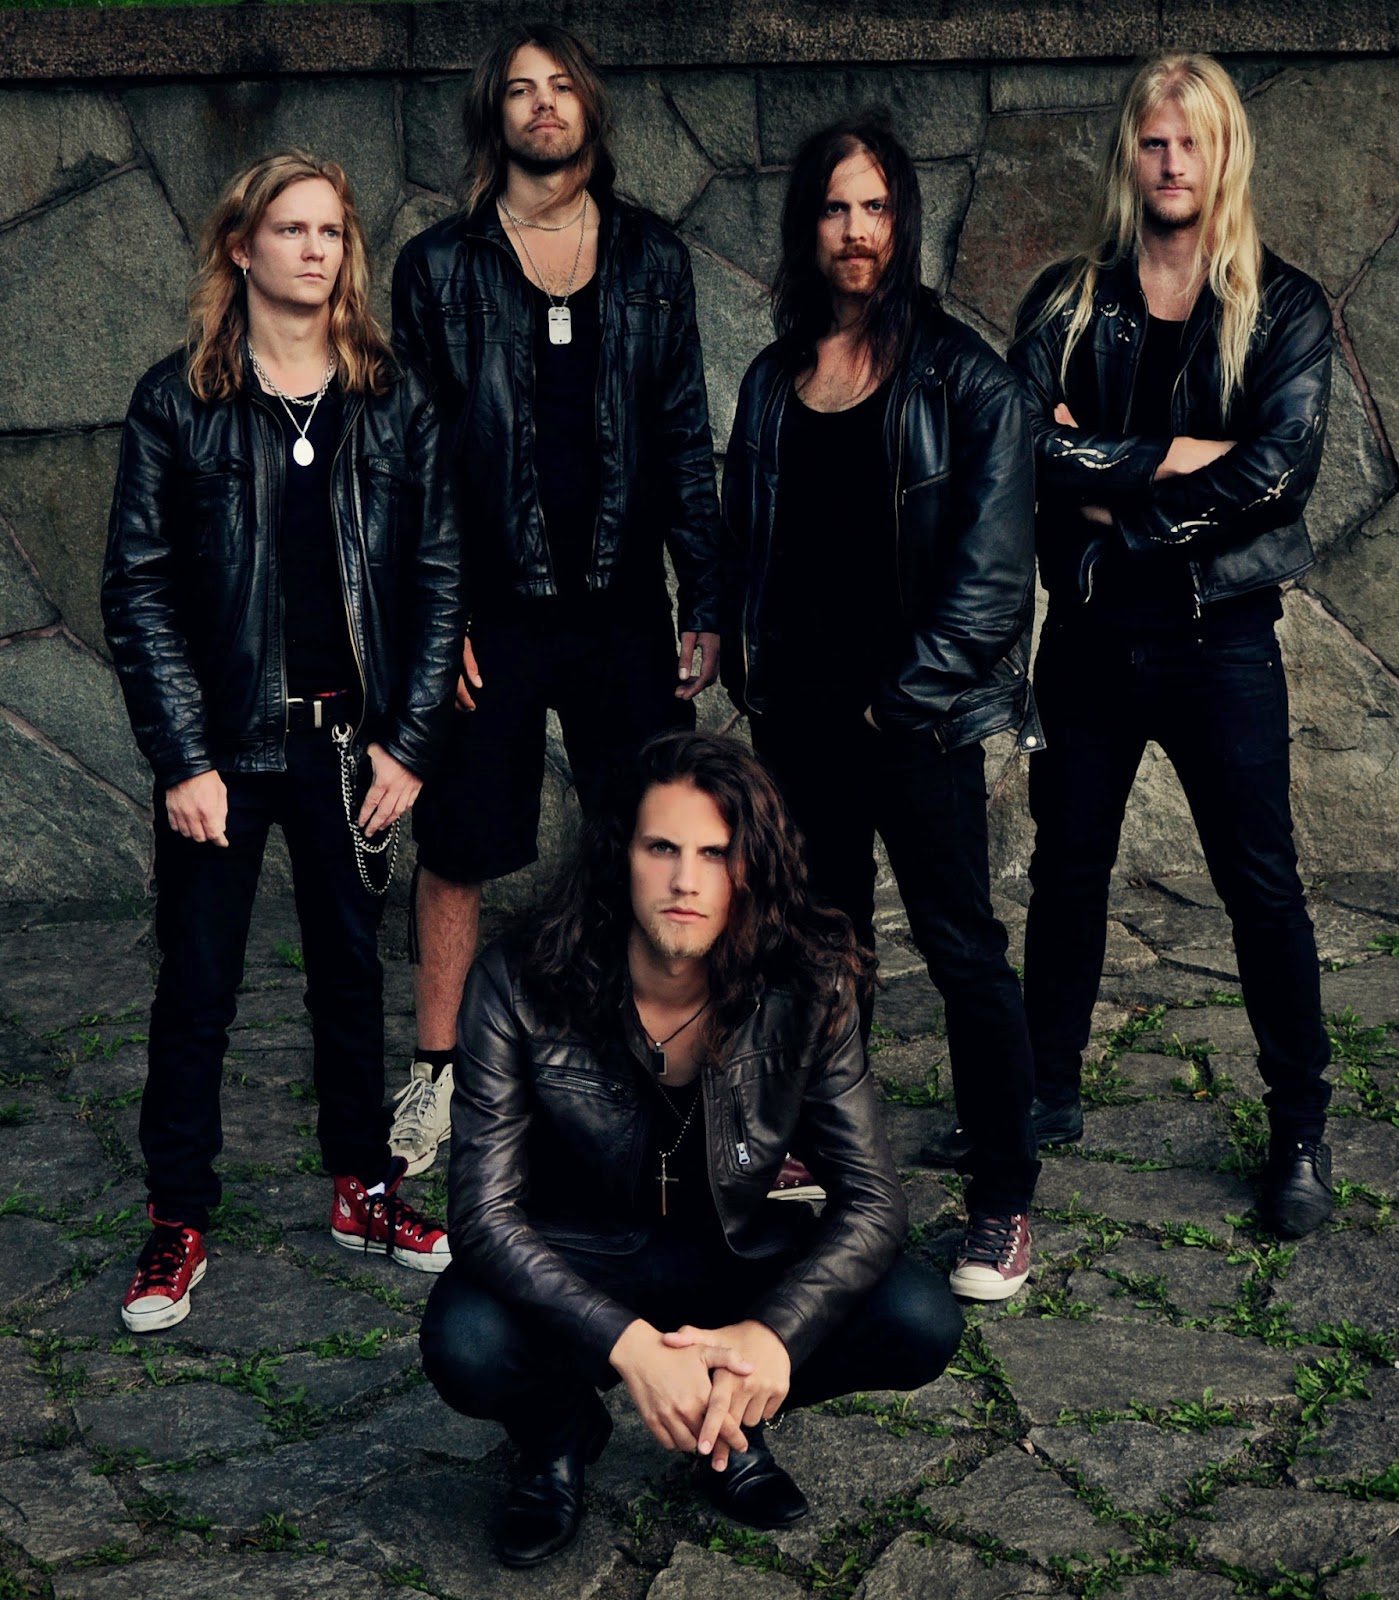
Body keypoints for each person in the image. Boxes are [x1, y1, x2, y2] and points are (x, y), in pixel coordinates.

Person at [418, 731, 962, 1567]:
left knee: (918, 1317)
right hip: (581, 1254)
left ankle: (726, 1421)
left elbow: (872, 1200)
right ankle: (558, 1433)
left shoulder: (809, 981)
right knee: (466, 1340)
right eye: (661, 848)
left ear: (751, 868)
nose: (685, 881)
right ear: (619, 855)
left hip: (734, 1251)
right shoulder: (518, 979)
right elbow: (482, 1214)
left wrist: (772, 1334)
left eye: (715, 853)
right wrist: (628, 1344)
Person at [103, 151, 462, 1332]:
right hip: (222, 752)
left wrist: (409, 743)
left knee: (350, 978)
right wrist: (182, 758)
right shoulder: (179, 400)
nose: (315, 248)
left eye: (331, 230)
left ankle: (363, 1186)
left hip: (349, 747)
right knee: (197, 986)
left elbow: (438, 578)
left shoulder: (390, 399)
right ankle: (177, 1217)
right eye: (291, 228)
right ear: (240, 247)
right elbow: (139, 588)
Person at [388, 21, 723, 1180]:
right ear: (496, 116)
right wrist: (436, 623)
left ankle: (657, 1063)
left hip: (622, 606)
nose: (543, 104)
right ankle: (438, 1075)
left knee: (652, 836)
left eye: (561, 86)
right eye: (521, 90)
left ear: (590, 108)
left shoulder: (650, 259)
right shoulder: (440, 268)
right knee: (458, 843)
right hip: (491, 614)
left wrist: (703, 592)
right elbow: (413, 463)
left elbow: (683, 434)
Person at [1008, 52, 1334, 1237]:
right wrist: (1171, 459)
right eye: (1153, 141)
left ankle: (1300, 1130)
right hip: (1090, 639)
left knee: (1261, 886)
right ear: (1129, 155)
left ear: (1224, 153)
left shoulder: (1284, 308)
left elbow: (1277, 474)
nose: (1171, 162)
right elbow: (1019, 446)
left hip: (1220, 640)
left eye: (1191, 141)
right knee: (1065, 872)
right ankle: (1043, 1094)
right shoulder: (1066, 302)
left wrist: (1113, 499)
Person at [721, 112, 1043, 1302]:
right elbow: (742, 537)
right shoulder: (773, 380)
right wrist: (741, 657)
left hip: (915, 725)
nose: (854, 231)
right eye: (832, 208)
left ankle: (1002, 1196)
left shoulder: (966, 380)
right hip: (794, 722)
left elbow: (993, 583)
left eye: (873, 207)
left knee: (962, 953)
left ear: (901, 221)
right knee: (819, 950)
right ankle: (826, 1152)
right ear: (806, 227)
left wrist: (892, 705)